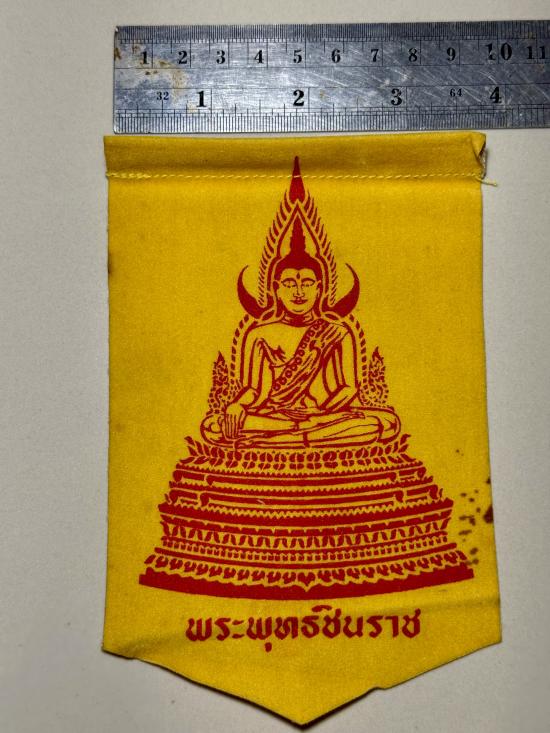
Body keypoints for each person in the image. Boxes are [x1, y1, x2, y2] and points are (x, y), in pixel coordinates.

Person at [202, 217, 400, 448]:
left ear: (320, 289)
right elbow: (254, 389)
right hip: (277, 417)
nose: (298, 292)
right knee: (213, 426)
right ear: (276, 289)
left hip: (324, 415)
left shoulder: (338, 332)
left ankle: (275, 441)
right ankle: (297, 435)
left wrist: (320, 415)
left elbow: (349, 388)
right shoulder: (259, 334)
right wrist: (237, 405)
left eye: (306, 283)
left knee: (386, 422)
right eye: (289, 283)